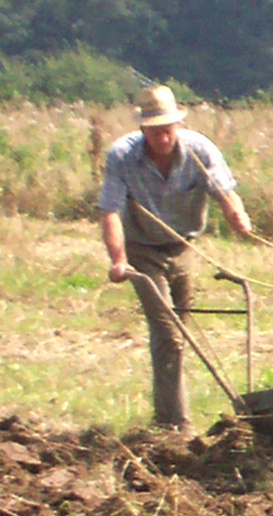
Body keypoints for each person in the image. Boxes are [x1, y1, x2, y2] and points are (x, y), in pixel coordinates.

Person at [99, 84, 253, 430]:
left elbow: (225, 193)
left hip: (184, 247)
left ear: (178, 125)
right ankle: (174, 426)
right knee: (168, 334)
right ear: (143, 129)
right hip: (142, 250)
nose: (162, 136)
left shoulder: (200, 150)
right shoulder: (122, 156)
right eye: (154, 130)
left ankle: (172, 417)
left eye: (167, 128)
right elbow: (110, 211)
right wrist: (118, 259)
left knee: (183, 331)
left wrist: (237, 217)